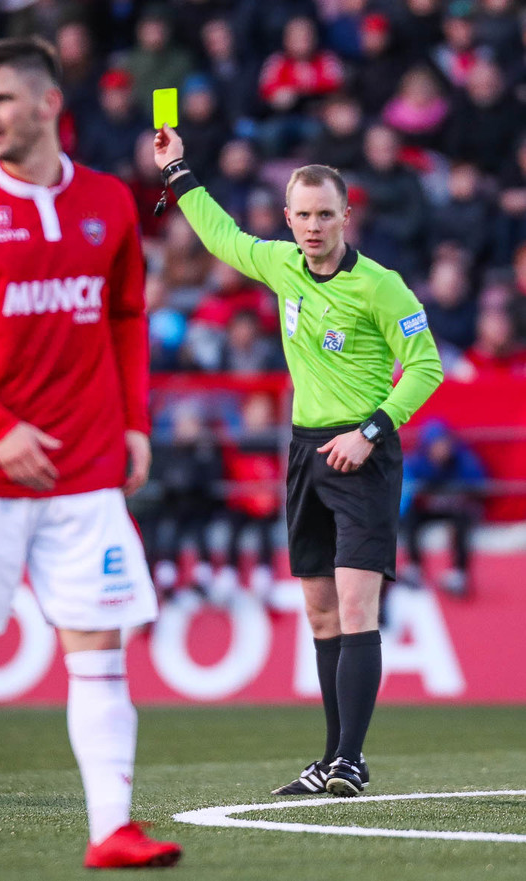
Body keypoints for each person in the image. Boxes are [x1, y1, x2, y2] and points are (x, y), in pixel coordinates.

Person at [0, 37, 182, 871]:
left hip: (88, 472)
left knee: (100, 648)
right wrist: (0, 427)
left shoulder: (110, 200)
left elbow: (126, 316)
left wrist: (135, 422)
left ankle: (112, 829)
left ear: (48, 103)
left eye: (0, 99)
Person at [153, 125, 443, 797]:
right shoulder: (282, 265)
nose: (314, 227)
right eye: (303, 215)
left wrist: (372, 430)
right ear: (288, 218)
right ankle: (331, 757)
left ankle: (350, 760)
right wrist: (176, 171)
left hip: (363, 454)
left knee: (356, 605)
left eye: (325, 215)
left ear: (346, 216)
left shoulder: (382, 287)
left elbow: (426, 367)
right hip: (306, 452)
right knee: (320, 612)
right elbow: (221, 236)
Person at [398, 418, 485, 597]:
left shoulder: (465, 461)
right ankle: (414, 567)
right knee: (410, 518)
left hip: (455, 509)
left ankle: (459, 573)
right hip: (427, 510)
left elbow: (478, 486)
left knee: (463, 520)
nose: (441, 449)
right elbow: (406, 491)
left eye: (444, 443)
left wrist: (459, 495)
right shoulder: (416, 463)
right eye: (436, 444)